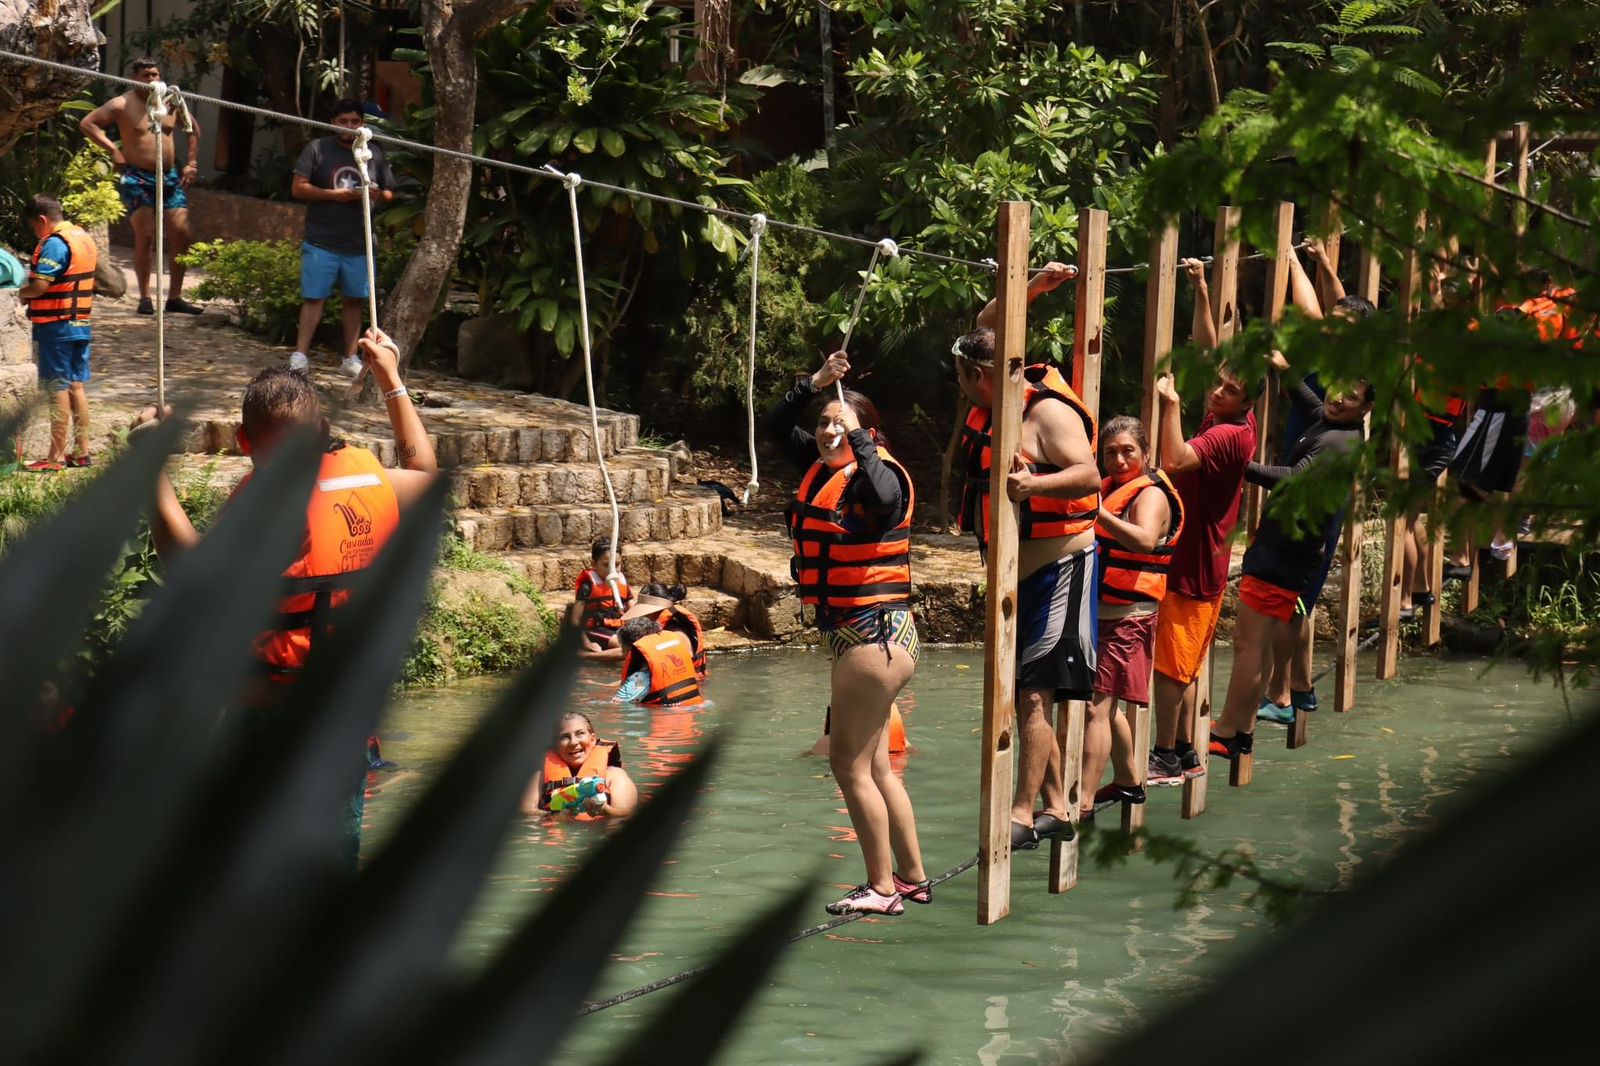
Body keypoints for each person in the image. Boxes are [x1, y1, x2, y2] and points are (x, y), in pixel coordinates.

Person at [135, 327, 437, 866]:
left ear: (244, 442)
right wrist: (390, 377)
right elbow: (424, 473)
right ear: (322, 429)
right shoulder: (367, 476)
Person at [767, 351, 928, 915]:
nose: (830, 430)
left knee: (848, 765)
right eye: (824, 422)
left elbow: (884, 503)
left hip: (871, 637)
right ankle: (911, 876)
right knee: (878, 765)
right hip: (869, 639)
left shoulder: (875, 478)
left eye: (843, 423)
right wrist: (814, 384)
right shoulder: (821, 470)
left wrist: (858, 436)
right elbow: (770, 425)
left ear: (867, 432)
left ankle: (882, 890)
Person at [954, 317, 1099, 850]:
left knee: (1035, 698)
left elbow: (1088, 475)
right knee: (1023, 694)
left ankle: (1021, 812)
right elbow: (994, 321)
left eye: (960, 375)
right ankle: (1056, 806)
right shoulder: (993, 405)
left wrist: (1032, 483)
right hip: (1018, 574)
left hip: (1059, 570)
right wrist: (1032, 290)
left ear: (975, 374)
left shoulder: (1047, 412)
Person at [1209, 363, 1376, 762]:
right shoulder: (1336, 421)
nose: (1336, 398)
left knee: (1249, 644)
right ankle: (1242, 728)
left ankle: (1228, 731)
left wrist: (1236, 465)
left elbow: (1293, 477)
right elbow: (1307, 396)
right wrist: (1280, 366)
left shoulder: (1339, 443)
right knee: (1255, 643)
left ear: (1366, 410)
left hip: (1285, 551)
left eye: (1349, 397)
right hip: (1289, 548)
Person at [1145, 258, 1257, 786]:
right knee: (1184, 660)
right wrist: (1202, 291)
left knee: (1170, 666)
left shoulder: (1229, 436)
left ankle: (1165, 754)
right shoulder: (1233, 411)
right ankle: (1187, 748)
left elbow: (1173, 459)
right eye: (1220, 387)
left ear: (1247, 403)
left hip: (1194, 561)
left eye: (1229, 392)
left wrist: (1169, 404)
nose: (1217, 392)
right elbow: (1210, 352)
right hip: (1204, 556)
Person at [1256, 243, 1375, 724]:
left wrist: (1288, 258)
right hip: (1304, 467)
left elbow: (1311, 310)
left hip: (1314, 482)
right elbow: (1324, 309)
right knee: (1297, 593)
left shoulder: (1351, 378)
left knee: (1296, 592)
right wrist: (1316, 262)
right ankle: (1298, 686)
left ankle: (1284, 692)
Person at [1083, 417, 1182, 811]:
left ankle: (1083, 802)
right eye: (1111, 453)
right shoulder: (1113, 488)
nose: (1120, 460)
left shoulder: (1151, 496)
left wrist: (1096, 513)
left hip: (1130, 614)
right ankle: (1128, 781)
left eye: (1128, 451)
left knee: (1097, 707)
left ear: (1144, 453)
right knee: (1108, 705)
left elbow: (1143, 540)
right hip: (1105, 611)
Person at [79, 57, 203, 316]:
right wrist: (113, 150)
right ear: (134, 77)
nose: (152, 80)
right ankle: (145, 297)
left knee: (181, 232)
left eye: (155, 74)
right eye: (146, 75)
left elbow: (193, 129)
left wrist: (191, 163)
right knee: (145, 235)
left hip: (168, 176)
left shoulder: (170, 102)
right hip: (137, 177)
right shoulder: (121, 104)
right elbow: (88, 123)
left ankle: (175, 298)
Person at [288, 98, 397, 376]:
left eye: (355, 121)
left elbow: (388, 193)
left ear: (363, 123)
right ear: (333, 123)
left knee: (354, 300)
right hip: (321, 239)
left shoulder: (374, 152)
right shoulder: (317, 149)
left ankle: (350, 358)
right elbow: (299, 188)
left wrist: (376, 194)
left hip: (360, 243)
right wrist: (336, 195)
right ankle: (300, 355)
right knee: (314, 298)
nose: (350, 126)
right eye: (344, 121)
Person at [15, 195, 96, 471]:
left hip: (56, 326)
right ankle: (81, 452)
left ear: (42, 220)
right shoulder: (81, 236)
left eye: (33, 227)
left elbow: (39, 287)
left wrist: (18, 294)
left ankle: (56, 456)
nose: (35, 233)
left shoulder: (55, 244)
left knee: (56, 387)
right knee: (76, 385)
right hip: (80, 324)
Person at [523, 711, 637, 818]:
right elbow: (525, 813)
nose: (573, 742)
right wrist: (553, 816)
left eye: (580, 734)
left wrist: (604, 810)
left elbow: (629, 814)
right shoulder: (539, 778)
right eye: (565, 737)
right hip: (555, 835)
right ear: (556, 746)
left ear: (592, 739)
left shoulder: (615, 775)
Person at [619, 582, 707, 679]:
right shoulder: (661, 629)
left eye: (643, 613)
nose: (641, 616)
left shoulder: (675, 634)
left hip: (689, 685)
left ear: (654, 612)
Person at [613, 616, 703, 706]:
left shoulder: (640, 678)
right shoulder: (672, 659)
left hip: (667, 717)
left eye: (622, 647)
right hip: (694, 706)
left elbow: (617, 705)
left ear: (631, 648)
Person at [572, 537, 633, 654]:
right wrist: (587, 643)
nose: (613, 570)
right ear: (594, 564)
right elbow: (575, 620)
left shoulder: (622, 582)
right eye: (607, 565)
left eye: (617, 564)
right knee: (625, 648)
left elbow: (633, 610)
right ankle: (588, 656)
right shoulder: (588, 586)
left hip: (619, 628)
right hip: (596, 629)